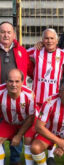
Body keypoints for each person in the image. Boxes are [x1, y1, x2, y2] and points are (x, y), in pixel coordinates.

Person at [27, 28, 64, 164]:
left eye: (52, 38)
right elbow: (22, 56)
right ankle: (34, 157)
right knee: (32, 131)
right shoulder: (35, 51)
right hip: (37, 101)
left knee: (52, 128)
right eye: (46, 38)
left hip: (54, 101)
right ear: (42, 40)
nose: (49, 41)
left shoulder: (63, 55)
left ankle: (50, 155)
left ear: (57, 41)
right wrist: (35, 45)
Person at [0, 21, 32, 165]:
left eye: (8, 32)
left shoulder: (22, 51)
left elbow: (31, 70)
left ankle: (15, 160)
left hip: (16, 97)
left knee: (16, 126)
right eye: (2, 32)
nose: (6, 35)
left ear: (14, 34)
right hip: (1, 98)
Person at [0, 69, 36, 165]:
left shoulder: (29, 95)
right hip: (8, 122)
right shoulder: (0, 92)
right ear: (6, 81)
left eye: (17, 81)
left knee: (29, 141)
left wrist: (19, 135)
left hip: (26, 123)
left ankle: (28, 162)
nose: (13, 85)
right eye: (10, 81)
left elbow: (31, 117)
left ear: (22, 82)